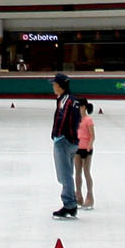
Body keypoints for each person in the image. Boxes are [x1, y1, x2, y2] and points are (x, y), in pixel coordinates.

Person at [49, 72, 82, 218]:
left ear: (60, 85)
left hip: (65, 141)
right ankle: (70, 203)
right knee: (66, 173)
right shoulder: (71, 100)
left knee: (64, 174)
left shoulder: (66, 101)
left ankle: (69, 204)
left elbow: (63, 119)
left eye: (55, 84)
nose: (53, 87)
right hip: (73, 141)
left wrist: (58, 135)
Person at [74, 99, 97, 209]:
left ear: (83, 107)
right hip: (77, 148)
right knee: (77, 172)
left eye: (79, 106)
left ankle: (90, 196)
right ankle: (78, 195)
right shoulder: (76, 120)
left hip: (86, 149)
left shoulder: (88, 120)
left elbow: (92, 135)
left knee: (86, 171)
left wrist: (89, 146)